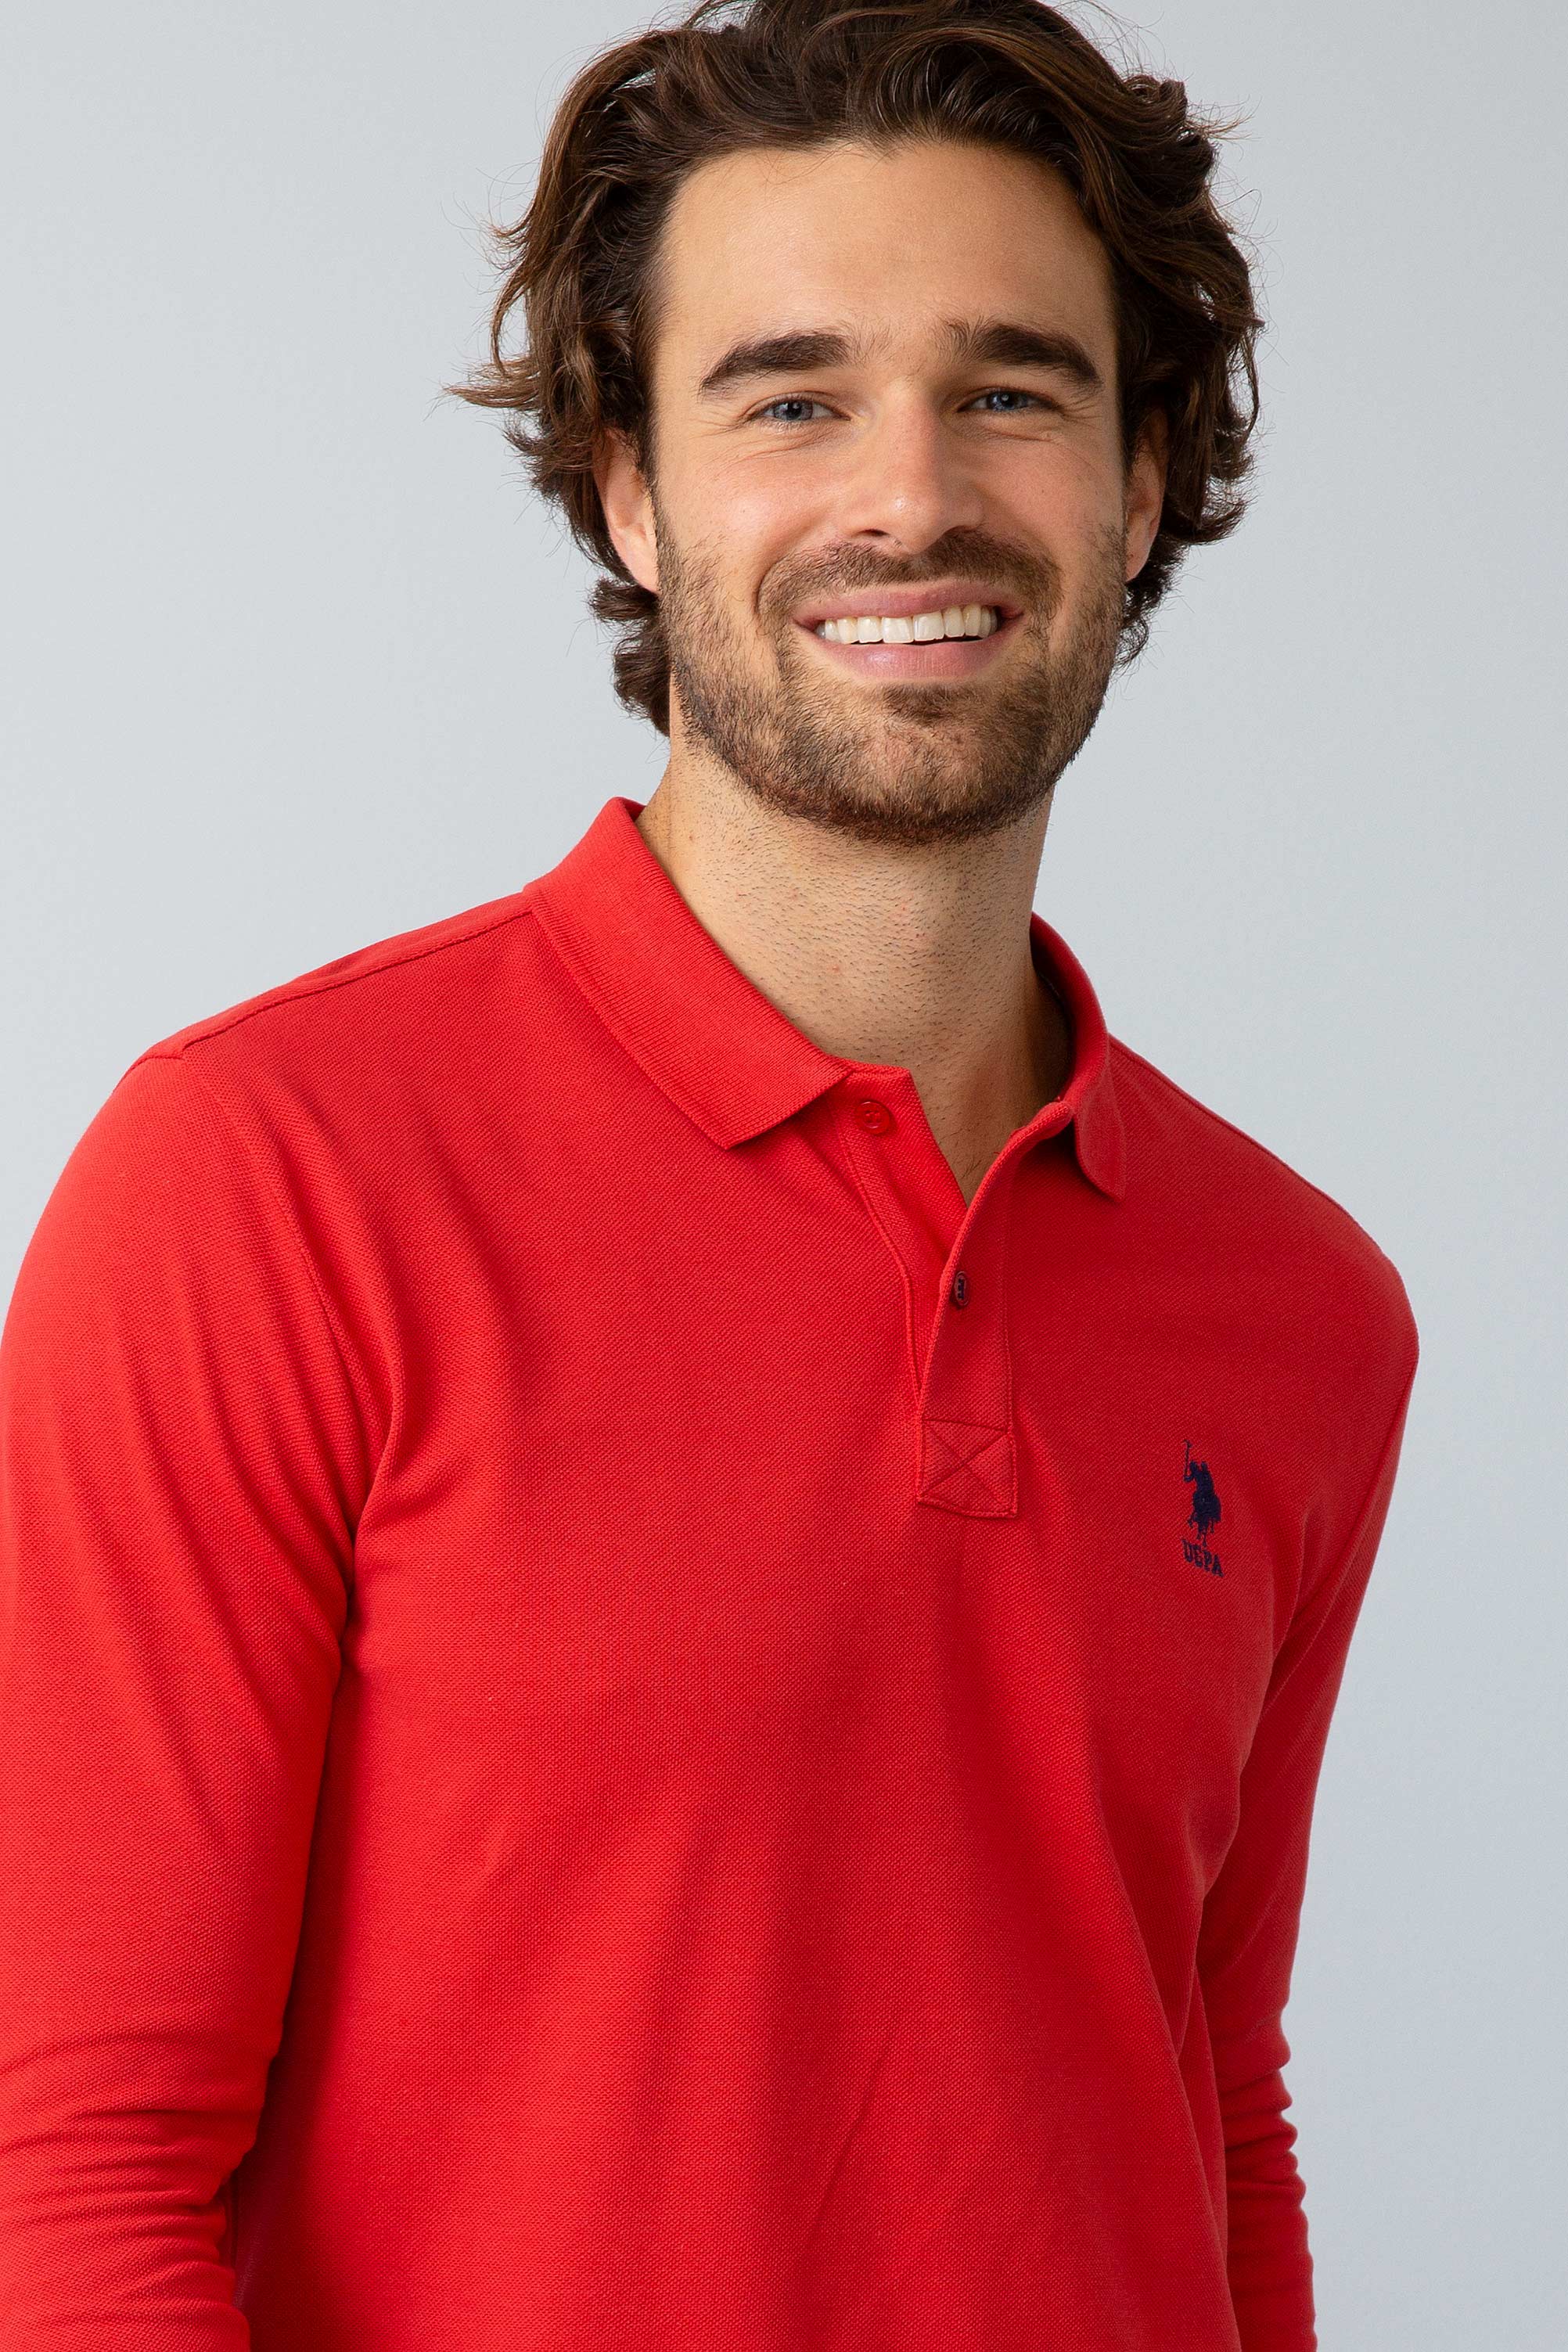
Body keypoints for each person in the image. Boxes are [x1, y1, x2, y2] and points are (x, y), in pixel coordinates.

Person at [0, 3, 1419, 2347]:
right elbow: (70, 2167)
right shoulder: (266, 1183)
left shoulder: (1300, 1307)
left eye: (1011, 391)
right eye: (789, 400)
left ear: (1141, 478)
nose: (909, 497)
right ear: (631, 492)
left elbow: (1208, 2098)